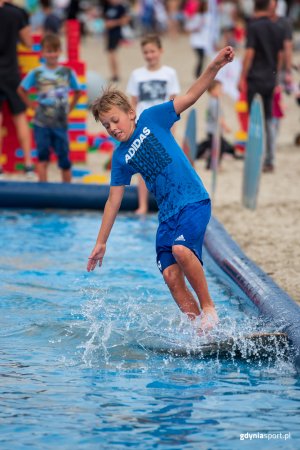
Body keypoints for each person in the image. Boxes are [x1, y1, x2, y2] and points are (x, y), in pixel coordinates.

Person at [87, 46, 235, 334]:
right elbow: (113, 201)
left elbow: (191, 95)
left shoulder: (153, 118)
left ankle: (208, 308)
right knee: (169, 274)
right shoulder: (120, 157)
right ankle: (200, 333)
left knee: (181, 249)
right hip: (167, 216)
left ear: (131, 113)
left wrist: (215, 66)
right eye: (106, 126)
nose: (112, 128)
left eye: (115, 120)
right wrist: (101, 241)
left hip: (193, 200)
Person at [126, 34, 180, 214]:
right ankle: (142, 205)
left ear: (160, 51)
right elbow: (132, 102)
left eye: (152, 51)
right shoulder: (137, 75)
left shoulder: (169, 73)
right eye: (146, 52)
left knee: (166, 166)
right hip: (142, 127)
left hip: (163, 126)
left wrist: (173, 127)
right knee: (144, 167)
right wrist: (131, 127)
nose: (149, 55)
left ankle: (167, 205)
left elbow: (174, 102)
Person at [18, 33, 81, 182]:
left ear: (60, 51)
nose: (51, 54)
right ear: (42, 52)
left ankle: (67, 193)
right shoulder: (37, 72)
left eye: (54, 50)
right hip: (41, 123)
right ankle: (43, 192)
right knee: (42, 157)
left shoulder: (67, 72)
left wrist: (70, 109)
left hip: (60, 122)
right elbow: (21, 90)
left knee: (64, 159)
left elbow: (77, 91)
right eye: (48, 51)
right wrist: (31, 105)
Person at [238, 0, 285, 173]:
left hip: (255, 78)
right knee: (269, 119)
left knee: (254, 119)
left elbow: (250, 53)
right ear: (269, 7)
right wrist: (277, 78)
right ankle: (270, 159)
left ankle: (256, 157)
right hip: (270, 78)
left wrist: (242, 76)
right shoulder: (278, 27)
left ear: (255, 7)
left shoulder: (253, 27)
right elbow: (280, 55)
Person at [0, 0, 34, 177]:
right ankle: (28, 164)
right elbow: (28, 42)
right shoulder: (15, 14)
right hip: (11, 73)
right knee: (20, 117)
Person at [196, 79, 236, 169]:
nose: (221, 91)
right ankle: (213, 164)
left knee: (214, 147)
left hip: (213, 130)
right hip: (214, 131)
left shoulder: (214, 101)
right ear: (212, 91)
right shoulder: (214, 103)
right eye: (219, 89)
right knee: (218, 148)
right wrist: (226, 127)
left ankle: (212, 164)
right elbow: (218, 118)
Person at [101, 0, 130, 82]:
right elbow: (105, 21)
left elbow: (125, 20)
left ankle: (116, 74)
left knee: (112, 54)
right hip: (109, 34)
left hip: (116, 33)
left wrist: (113, 23)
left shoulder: (120, 7)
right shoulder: (106, 6)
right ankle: (114, 74)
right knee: (110, 54)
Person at [184, 0, 213, 78]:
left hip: (205, 41)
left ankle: (200, 74)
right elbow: (187, 28)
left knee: (203, 58)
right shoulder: (196, 16)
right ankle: (198, 74)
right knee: (201, 58)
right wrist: (195, 28)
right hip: (196, 41)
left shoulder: (208, 16)